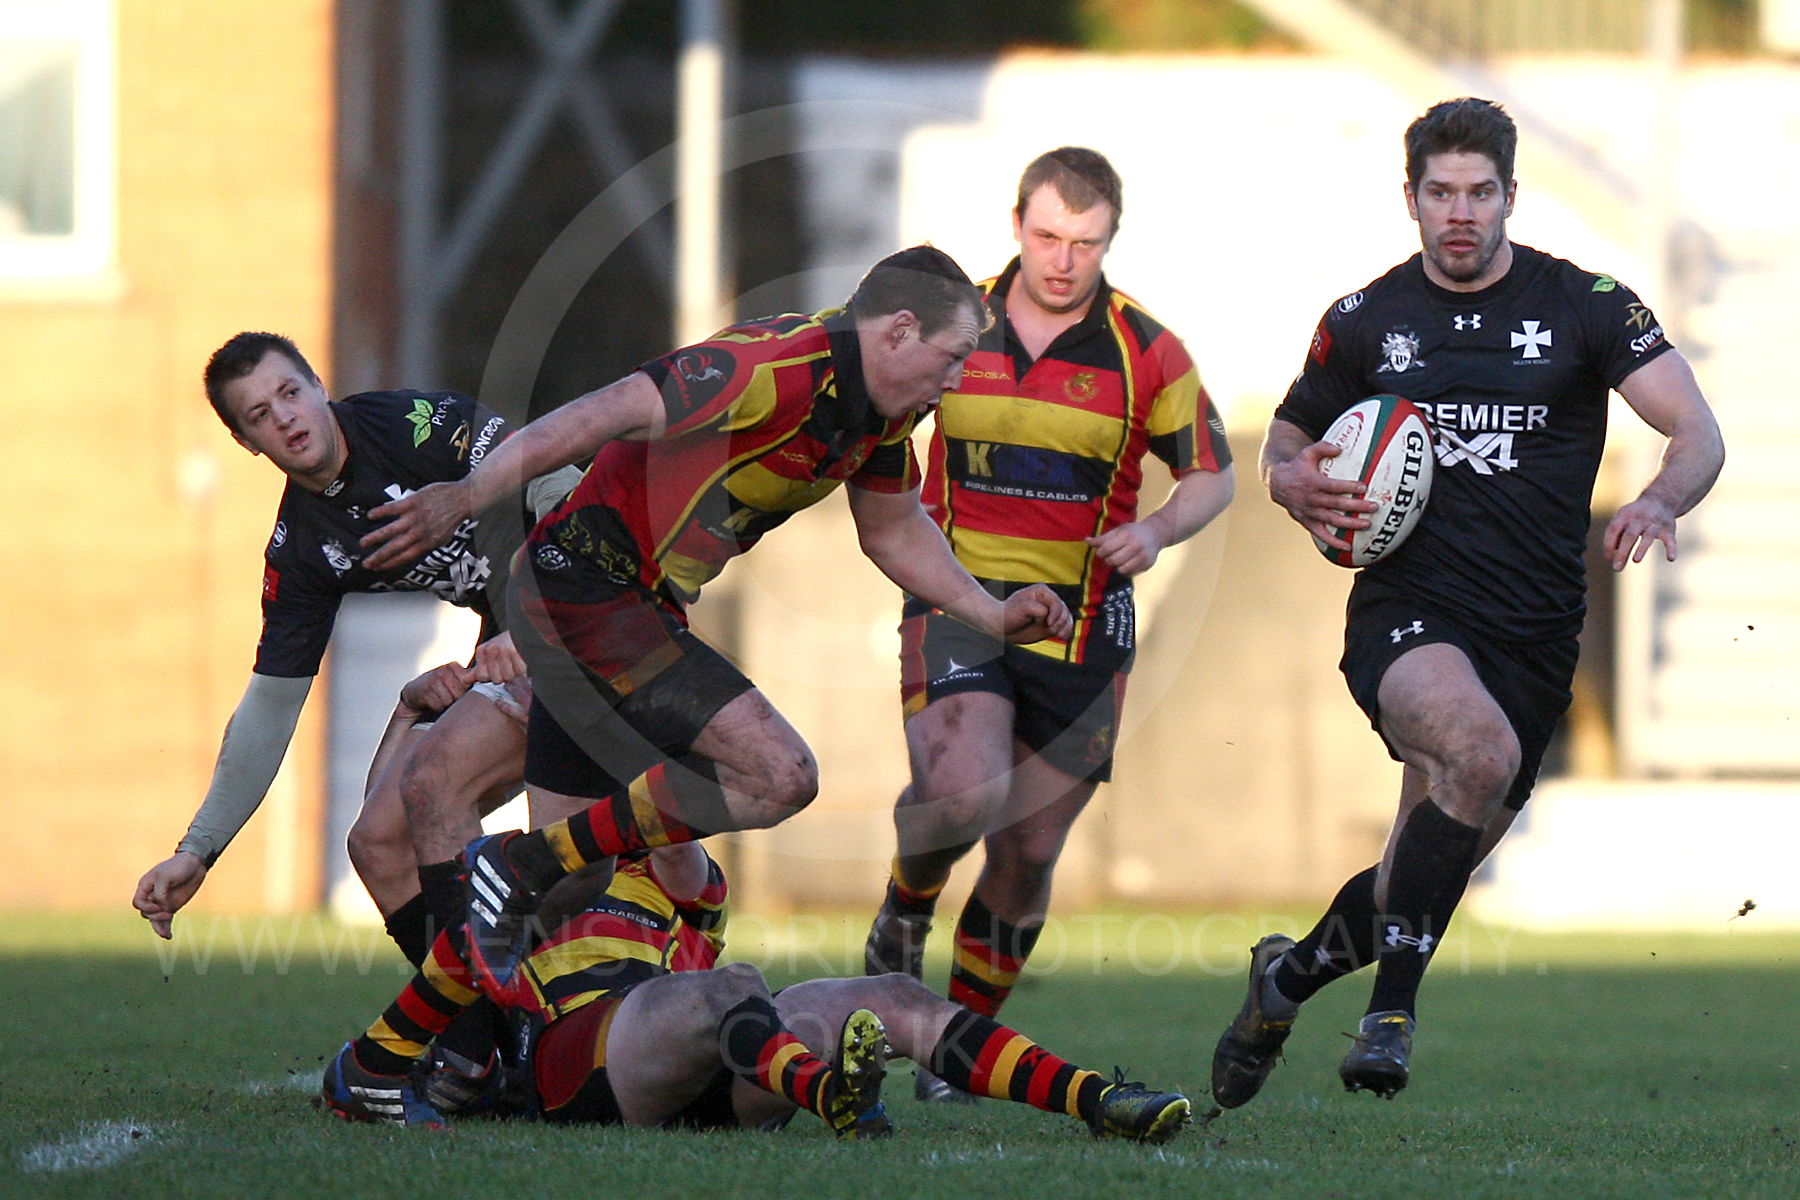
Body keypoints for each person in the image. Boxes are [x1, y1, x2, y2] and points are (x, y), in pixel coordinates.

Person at [360, 246, 1076, 990]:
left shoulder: (884, 416)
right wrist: (464, 496)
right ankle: (528, 871)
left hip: (623, 605)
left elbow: (893, 530)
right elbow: (599, 413)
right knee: (779, 774)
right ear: (898, 331)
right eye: (953, 356)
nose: (958, 379)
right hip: (588, 587)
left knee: (574, 885)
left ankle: (455, 1025)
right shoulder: (770, 367)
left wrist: (991, 614)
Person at [1209, 98, 1725, 1107]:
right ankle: (1390, 1021)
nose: (1460, 213)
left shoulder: (1586, 305)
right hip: (1410, 614)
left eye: (1479, 193)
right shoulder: (1365, 319)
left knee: (1411, 879)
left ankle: (1284, 981)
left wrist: (1662, 498)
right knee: (1477, 756)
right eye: (1440, 193)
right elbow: (1288, 438)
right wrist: (1287, 480)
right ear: (1409, 198)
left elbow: (1696, 430)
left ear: (1510, 196)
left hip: (1536, 637)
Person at [857, 148, 1233, 1100]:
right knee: (960, 793)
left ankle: (956, 1048)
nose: (1064, 260)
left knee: (1026, 851)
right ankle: (905, 908)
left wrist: (1157, 529)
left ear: (1112, 239)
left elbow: (1213, 474)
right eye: (1048, 236)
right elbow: (872, 401)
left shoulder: (1147, 350)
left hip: (1084, 628)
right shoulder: (955, 322)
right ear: (1016, 223)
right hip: (958, 604)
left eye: (1086, 243)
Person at [130, 333, 576, 966]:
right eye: (260, 414)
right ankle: (484, 1008)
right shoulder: (303, 548)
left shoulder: (413, 426)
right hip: (511, 647)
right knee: (378, 841)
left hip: (590, 605)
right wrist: (197, 850)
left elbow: (558, 475)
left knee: (469, 799)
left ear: (320, 387)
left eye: (290, 392)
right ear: (246, 441)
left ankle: (568, 977)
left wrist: (537, 615)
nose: (285, 417)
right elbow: (270, 706)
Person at [321, 840, 1192, 1144]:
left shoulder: (675, 874)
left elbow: (669, 828)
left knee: (892, 993)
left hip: (727, 1057)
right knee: (729, 988)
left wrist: (622, 708)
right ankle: (828, 1092)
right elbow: (385, 838)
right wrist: (414, 711)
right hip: (586, 1058)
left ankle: (1095, 1098)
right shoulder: (515, 868)